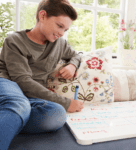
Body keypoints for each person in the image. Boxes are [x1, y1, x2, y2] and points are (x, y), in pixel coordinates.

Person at [0, 0, 84, 149]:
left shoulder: (60, 44)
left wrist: (72, 64)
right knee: (19, 104)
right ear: (43, 16)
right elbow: (23, 82)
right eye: (59, 26)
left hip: (30, 98)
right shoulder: (14, 41)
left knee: (56, 114)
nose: (61, 33)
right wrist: (66, 102)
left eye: (65, 29)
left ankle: (8, 119)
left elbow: (76, 55)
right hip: (9, 83)